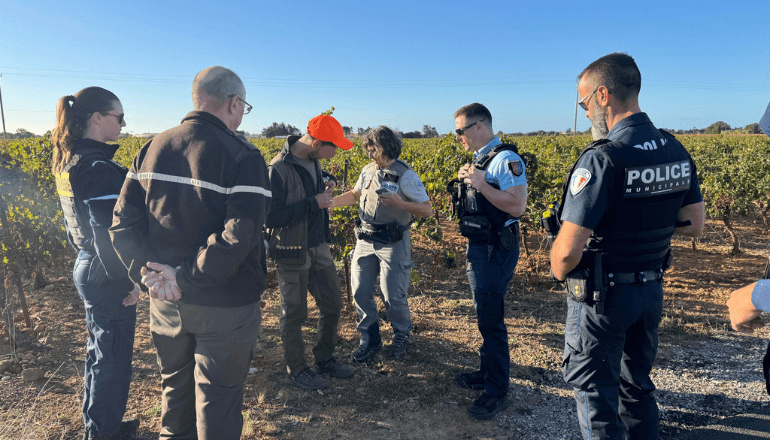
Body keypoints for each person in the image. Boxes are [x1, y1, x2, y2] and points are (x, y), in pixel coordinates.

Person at [110, 66, 270, 440]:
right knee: (219, 402)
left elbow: (121, 222)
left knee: (175, 394)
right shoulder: (243, 157)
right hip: (224, 307)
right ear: (233, 103)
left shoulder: (151, 148)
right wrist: (185, 278)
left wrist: (147, 274)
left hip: (164, 303)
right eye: (243, 108)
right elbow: (239, 236)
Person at [550, 53, 705, 440]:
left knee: (595, 396)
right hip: (650, 288)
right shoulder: (674, 149)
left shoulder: (603, 158)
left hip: (603, 299)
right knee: (636, 389)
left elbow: (568, 251)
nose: (584, 112)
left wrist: (557, 268)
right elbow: (694, 224)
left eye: (584, 103)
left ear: (603, 95)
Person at [51, 87, 144, 440]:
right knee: (114, 359)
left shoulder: (72, 159)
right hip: (106, 272)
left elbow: (81, 225)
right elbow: (107, 233)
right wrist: (127, 282)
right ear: (98, 119)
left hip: (89, 265)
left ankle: (101, 424)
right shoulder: (98, 167)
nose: (123, 124)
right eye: (119, 118)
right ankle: (104, 433)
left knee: (100, 352)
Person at [449, 103, 528, 420]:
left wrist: (480, 184)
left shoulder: (506, 160)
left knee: (491, 319)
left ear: (479, 126)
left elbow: (518, 206)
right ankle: (486, 374)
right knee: (485, 314)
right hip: (481, 247)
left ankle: (496, 391)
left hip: (496, 249)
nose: (457, 138)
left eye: (460, 131)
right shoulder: (482, 160)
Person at [265, 114, 355, 390]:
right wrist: (312, 203)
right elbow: (270, 217)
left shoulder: (314, 161)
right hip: (292, 250)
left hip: (318, 246)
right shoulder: (277, 169)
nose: (335, 152)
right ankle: (297, 370)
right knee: (294, 313)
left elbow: (314, 181)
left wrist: (327, 182)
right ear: (316, 143)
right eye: (333, 147)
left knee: (333, 304)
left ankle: (324, 358)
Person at [332, 126, 433, 361]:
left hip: (393, 242)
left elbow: (427, 209)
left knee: (393, 295)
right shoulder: (367, 170)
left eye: (373, 148)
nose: (369, 153)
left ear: (387, 146)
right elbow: (356, 195)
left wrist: (400, 203)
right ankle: (369, 338)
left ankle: (401, 334)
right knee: (360, 291)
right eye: (367, 148)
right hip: (365, 239)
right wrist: (331, 203)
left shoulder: (405, 175)